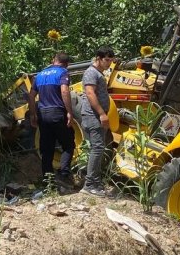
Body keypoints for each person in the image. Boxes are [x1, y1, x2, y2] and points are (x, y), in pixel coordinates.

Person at [28, 52, 75, 181]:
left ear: (53, 60)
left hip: (43, 115)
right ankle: (64, 175)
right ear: (67, 64)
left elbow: (31, 96)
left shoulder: (40, 75)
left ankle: (47, 180)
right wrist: (69, 112)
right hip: (57, 113)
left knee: (47, 149)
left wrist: (33, 114)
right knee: (68, 144)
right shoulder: (63, 73)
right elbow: (64, 91)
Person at [80, 46, 116, 196]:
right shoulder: (91, 72)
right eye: (107, 60)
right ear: (98, 58)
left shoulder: (98, 73)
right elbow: (90, 93)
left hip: (96, 116)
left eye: (111, 60)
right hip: (93, 116)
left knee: (97, 148)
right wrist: (102, 113)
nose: (109, 63)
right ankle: (89, 185)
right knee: (97, 148)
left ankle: (95, 182)